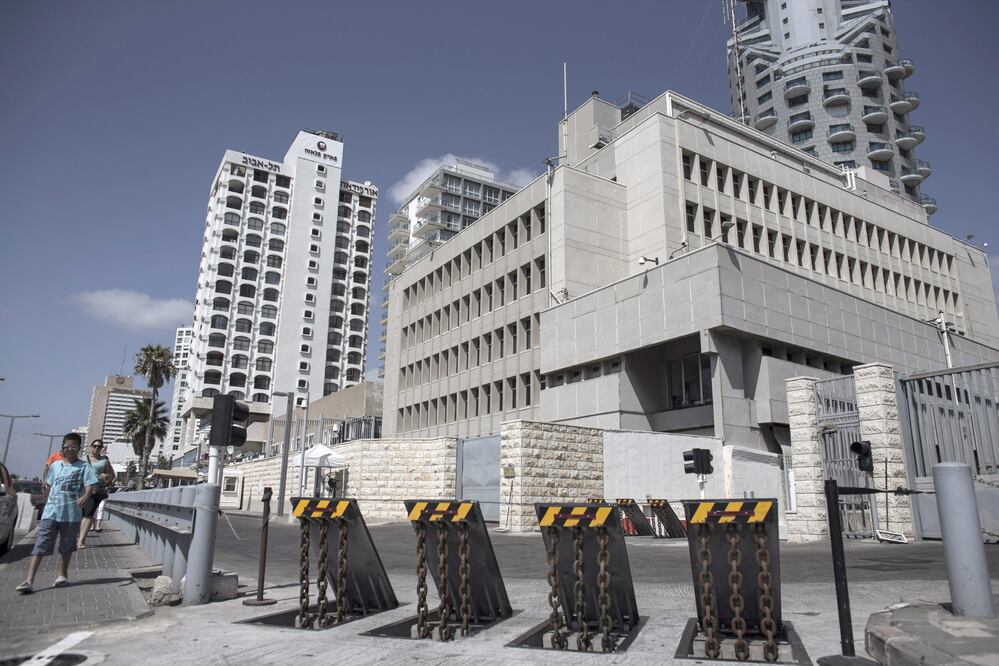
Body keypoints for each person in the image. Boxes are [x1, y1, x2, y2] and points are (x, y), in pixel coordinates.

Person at [16, 433, 97, 594]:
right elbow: (50, 485)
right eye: (67, 446)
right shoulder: (55, 466)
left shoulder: (84, 467)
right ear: (63, 448)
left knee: (67, 547)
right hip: (51, 512)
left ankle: (62, 575)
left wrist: (85, 496)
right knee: (40, 545)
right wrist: (47, 500)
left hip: (71, 514)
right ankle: (29, 580)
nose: (70, 449)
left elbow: (90, 485)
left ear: (79, 448)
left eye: (74, 447)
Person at [78, 439, 114, 548]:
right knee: (80, 514)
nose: (96, 448)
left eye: (99, 446)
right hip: (81, 489)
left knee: (88, 514)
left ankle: (81, 540)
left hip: (95, 490)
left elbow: (112, 475)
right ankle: (79, 535)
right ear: (91, 447)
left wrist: (105, 478)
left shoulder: (104, 461)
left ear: (102, 448)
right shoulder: (83, 459)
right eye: (94, 446)